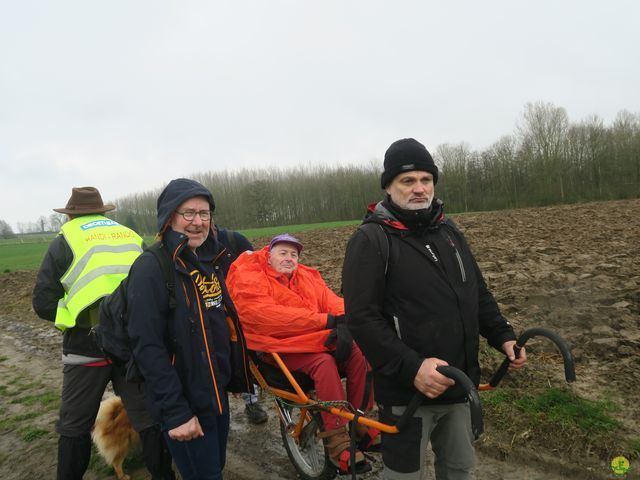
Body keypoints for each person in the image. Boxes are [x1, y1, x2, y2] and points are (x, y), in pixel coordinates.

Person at [341, 138, 527, 480]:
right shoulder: (371, 240)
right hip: (406, 393)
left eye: (425, 180)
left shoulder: (449, 231)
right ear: (389, 187)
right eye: (407, 181)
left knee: (459, 471)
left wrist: (503, 337)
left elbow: (477, 293)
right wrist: (413, 368)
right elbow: (361, 319)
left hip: (458, 384)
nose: (419, 189)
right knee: (404, 476)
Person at [32, 186, 175, 480]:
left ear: (70, 214)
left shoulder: (66, 239)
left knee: (74, 425)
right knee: (148, 420)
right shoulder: (130, 236)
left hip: (87, 343)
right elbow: (156, 283)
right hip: (132, 343)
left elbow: (43, 302)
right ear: (103, 212)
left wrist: (71, 318)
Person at [126, 178, 253, 480]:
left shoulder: (209, 260)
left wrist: (231, 374)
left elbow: (218, 325)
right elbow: (147, 347)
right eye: (189, 214)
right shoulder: (151, 268)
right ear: (170, 218)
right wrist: (176, 413)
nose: (198, 222)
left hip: (215, 396)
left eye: (205, 213)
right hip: (184, 404)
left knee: (214, 468)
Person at [227, 233, 379, 474]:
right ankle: (338, 441)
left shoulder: (306, 278)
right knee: (323, 362)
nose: (289, 258)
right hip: (276, 348)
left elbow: (331, 303)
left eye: (294, 254)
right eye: (283, 253)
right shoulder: (253, 279)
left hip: (311, 340)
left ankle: (358, 419)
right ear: (269, 256)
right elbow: (264, 317)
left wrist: (353, 317)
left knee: (359, 352)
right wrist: (325, 321)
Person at [213, 225, 269, 425]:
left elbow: (258, 268)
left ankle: (251, 402)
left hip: (241, 311)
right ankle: (218, 405)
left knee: (244, 356)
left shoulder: (235, 240)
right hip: (212, 311)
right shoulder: (193, 247)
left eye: (206, 215)